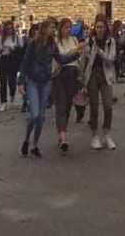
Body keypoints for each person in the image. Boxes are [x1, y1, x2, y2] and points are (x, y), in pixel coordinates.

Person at [18, 19, 80, 158]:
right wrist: (21, 82)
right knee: (34, 115)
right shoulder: (34, 43)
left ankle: (34, 145)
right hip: (33, 81)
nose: (54, 30)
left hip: (46, 82)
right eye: (52, 27)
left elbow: (61, 60)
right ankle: (26, 139)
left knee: (41, 117)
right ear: (45, 29)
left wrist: (77, 54)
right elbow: (25, 63)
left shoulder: (53, 44)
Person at [80, 14, 117, 151]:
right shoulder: (89, 41)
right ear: (94, 28)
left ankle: (107, 134)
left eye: (102, 27)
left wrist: (99, 52)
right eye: (98, 27)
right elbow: (84, 59)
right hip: (92, 75)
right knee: (94, 107)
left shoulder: (111, 41)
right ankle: (95, 136)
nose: (100, 29)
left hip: (106, 75)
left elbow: (111, 59)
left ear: (106, 28)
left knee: (108, 106)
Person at [51, 17, 82, 152]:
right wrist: (76, 51)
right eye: (65, 27)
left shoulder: (74, 40)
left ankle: (61, 132)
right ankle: (63, 138)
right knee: (61, 106)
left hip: (73, 75)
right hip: (60, 75)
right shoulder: (56, 42)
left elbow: (80, 58)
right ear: (60, 28)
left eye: (70, 27)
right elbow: (61, 58)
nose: (68, 30)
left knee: (68, 106)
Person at [0, 21, 20, 111]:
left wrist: (13, 49)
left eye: (10, 28)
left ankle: (12, 97)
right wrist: (3, 49)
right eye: (7, 29)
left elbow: (20, 48)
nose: (9, 30)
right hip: (3, 60)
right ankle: (3, 102)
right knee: (3, 82)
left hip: (12, 60)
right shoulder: (0, 39)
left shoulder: (16, 38)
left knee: (12, 82)